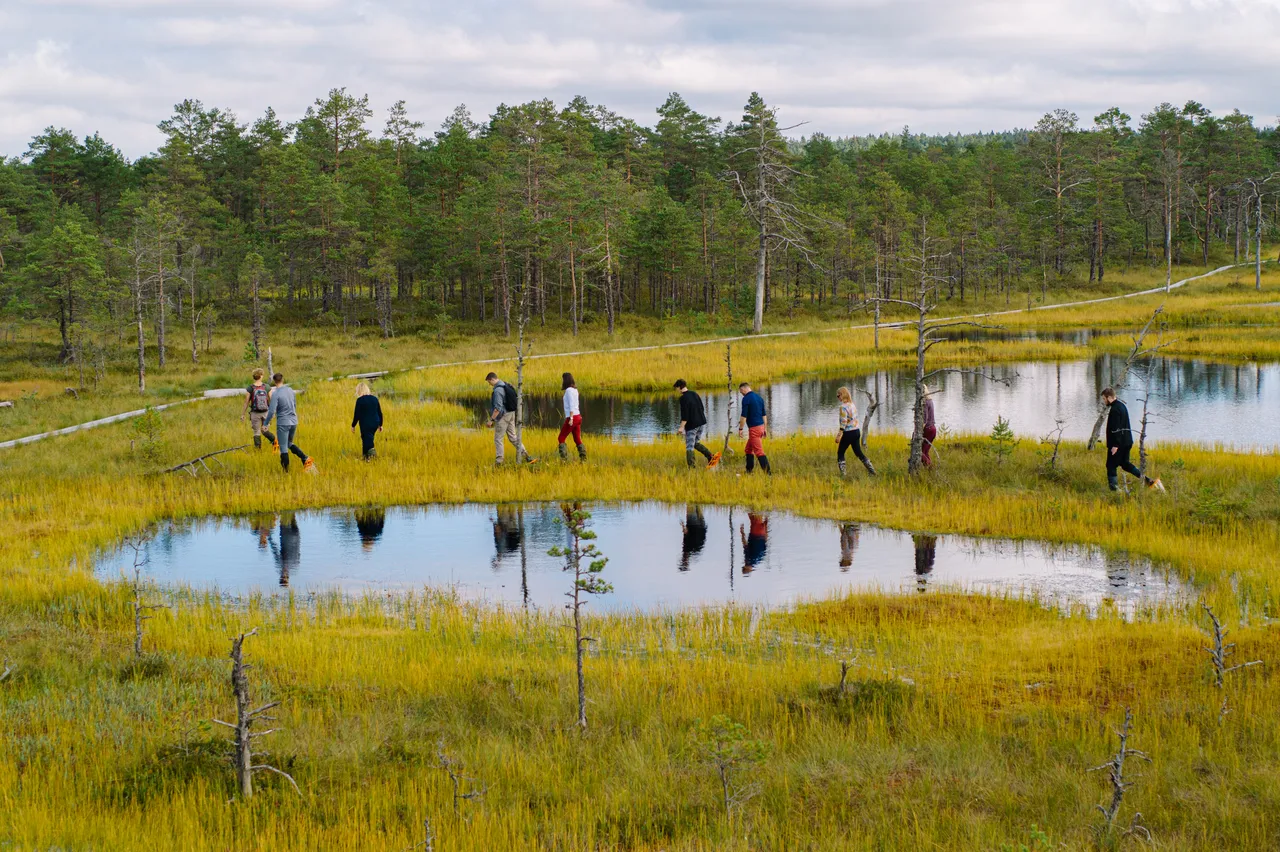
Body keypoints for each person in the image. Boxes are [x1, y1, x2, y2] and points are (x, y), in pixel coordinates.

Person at [1100, 387, 1164, 492]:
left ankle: (1114, 491)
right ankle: (1149, 481)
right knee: (1125, 464)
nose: (1104, 401)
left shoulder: (1115, 410)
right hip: (1127, 442)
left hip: (1118, 444)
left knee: (1110, 465)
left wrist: (1115, 445)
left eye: (1104, 399)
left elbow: (1116, 429)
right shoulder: (1121, 406)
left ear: (1109, 397)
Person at [263, 373, 315, 473]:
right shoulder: (290, 390)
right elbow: (294, 405)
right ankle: (305, 458)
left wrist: (265, 424)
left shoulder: (275, 394)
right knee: (288, 443)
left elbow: (271, 410)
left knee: (283, 448)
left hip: (283, 423)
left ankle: (286, 473)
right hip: (293, 421)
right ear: (283, 380)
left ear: (274, 381)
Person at [485, 372, 536, 465]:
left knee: (498, 439)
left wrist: (491, 420)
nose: (489, 384)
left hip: (503, 416)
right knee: (513, 437)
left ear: (492, 379)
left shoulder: (497, 391)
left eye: (489, 382)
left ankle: (499, 462)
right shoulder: (505, 384)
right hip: (511, 414)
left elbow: (498, 408)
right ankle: (526, 456)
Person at [673, 379, 719, 469]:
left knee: (689, 446)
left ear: (679, 387)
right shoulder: (694, 393)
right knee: (695, 443)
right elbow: (701, 407)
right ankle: (711, 456)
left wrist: (681, 427)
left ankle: (692, 468)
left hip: (692, 425)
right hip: (701, 422)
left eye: (676, 388)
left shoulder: (683, 398)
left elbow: (685, 415)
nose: (676, 391)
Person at [835, 386, 876, 476]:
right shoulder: (852, 404)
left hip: (848, 433)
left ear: (842, 395)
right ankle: (872, 472)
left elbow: (843, 423)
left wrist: (839, 436)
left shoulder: (843, 407)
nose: (838, 398)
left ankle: (843, 475)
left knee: (840, 453)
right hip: (856, 432)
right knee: (859, 453)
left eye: (838, 396)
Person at [737, 382, 770, 475]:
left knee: (759, 452)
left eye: (740, 391)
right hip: (761, 427)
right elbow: (764, 415)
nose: (741, 393)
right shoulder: (759, 398)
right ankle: (749, 471)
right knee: (748, 449)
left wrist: (740, 429)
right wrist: (765, 428)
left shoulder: (746, 399)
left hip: (754, 429)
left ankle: (768, 474)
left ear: (743, 389)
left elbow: (743, 416)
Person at [240, 368, 276, 450]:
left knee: (256, 432)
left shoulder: (250, 388)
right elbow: (272, 400)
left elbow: (246, 402)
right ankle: (275, 442)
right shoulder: (266, 387)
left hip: (255, 413)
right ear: (260, 376)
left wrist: (243, 414)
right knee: (265, 430)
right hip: (266, 412)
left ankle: (257, 450)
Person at [557, 372, 586, 462]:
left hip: (572, 417)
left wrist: (571, 418)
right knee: (577, 439)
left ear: (565, 380)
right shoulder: (575, 390)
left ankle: (564, 460)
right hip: (578, 417)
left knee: (561, 438)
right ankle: (583, 459)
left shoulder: (569, 390)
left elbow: (572, 405)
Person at [351, 382, 383, 460]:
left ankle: (373, 457)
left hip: (366, 424)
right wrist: (380, 424)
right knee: (366, 439)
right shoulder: (375, 398)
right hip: (375, 423)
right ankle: (365, 458)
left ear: (359, 390)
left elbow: (357, 415)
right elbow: (379, 412)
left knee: (367, 441)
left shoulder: (360, 400)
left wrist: (353, 425)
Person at [679, 506, 708, 571]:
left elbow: (686, 533)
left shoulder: (695, 552)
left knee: (696, 503)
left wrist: (683, 526)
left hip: (701, 527)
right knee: (692, 503)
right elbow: (686, 533)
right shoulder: (689, 550)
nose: (682, 558)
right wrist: (683, 526)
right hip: (694, 525)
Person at [920, 383, 937, 468]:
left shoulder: (925, 402)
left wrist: (918, 432)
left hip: (928, 429)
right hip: (933, 429)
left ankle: (930, 468)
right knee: (925, 452)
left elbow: (925, 419)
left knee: (920, 452)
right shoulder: (930, 400)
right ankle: (929, 469)